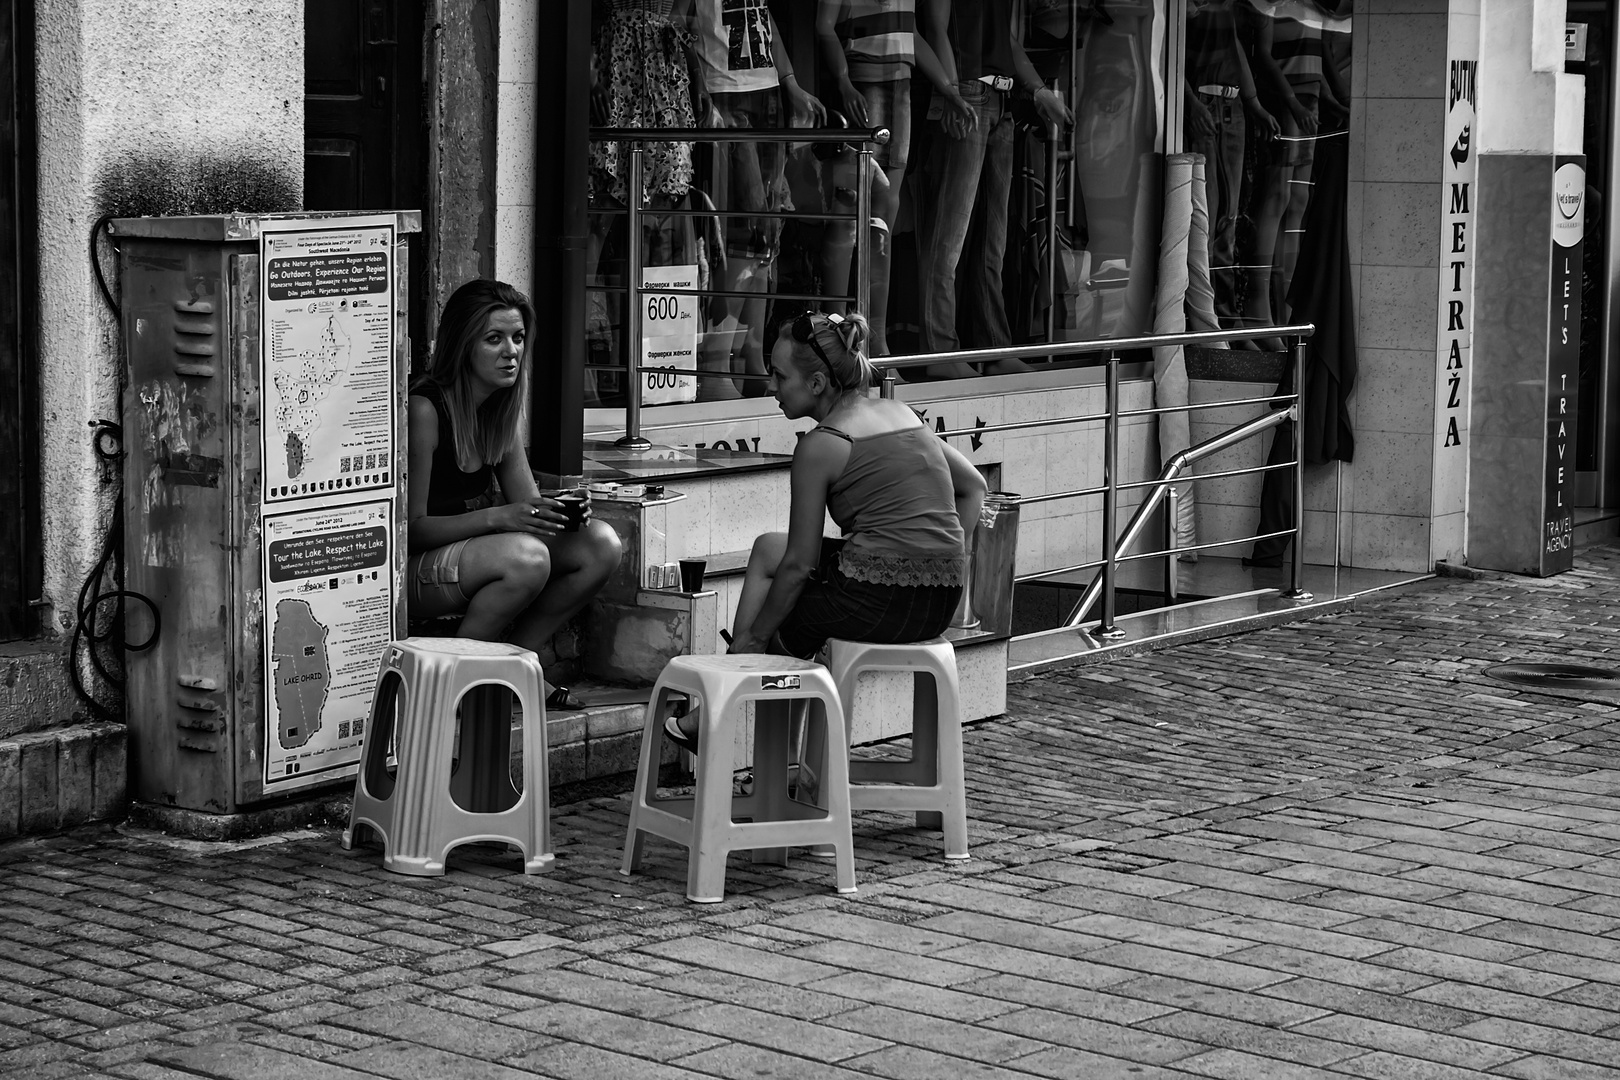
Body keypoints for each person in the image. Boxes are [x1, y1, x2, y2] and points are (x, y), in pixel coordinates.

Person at [664, 310, 987, 751]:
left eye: (779, 376)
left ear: (816, 385)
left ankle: (741, 732)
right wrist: (941, 562)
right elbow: (975, 487)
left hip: (877, 597)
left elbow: (800, 566)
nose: (771, 387)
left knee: (782, 622)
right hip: (943, 598)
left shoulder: (822, 444)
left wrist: (756, 636)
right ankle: (733, 704)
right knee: (766, 550)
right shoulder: (901, 413)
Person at [407, 279, 624, 709]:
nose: (511, 350)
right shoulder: (425, 410)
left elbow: (529, 509)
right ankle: (453, 683)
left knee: (600, 544)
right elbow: (409, 531)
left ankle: (517, 664)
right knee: (527, 559)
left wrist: (564, 511)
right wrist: (499, 517)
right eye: (494, 339)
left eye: (518, 337)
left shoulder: (499, 408)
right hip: (414, 572)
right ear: (463, 344)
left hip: (467, 558)